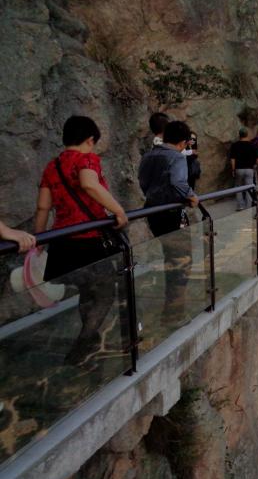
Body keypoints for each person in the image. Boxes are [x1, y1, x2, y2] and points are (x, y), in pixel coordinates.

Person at [35, 115, 128, 364]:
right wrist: (118, 211)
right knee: (105, 291)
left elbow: (43, 207)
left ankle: (90, 339)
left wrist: (39, 239)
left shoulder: (51, 166)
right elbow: (89, 184)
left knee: (88, 291)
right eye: (93, 143)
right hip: (88, 240)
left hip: (62, 241)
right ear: (89, 139)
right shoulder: (86, 158)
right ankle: (85, 342)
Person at [138, 120, 198, 324]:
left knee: (171, 257)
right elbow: (178, 182)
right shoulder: (176, 157)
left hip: (153, 211)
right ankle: (174, 315)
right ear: (183, 142)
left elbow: (143, 181)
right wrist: (191, 196)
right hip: (171, 211)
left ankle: (172, 310)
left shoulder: (149, 155)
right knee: (181, 261)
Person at [229, 127, 258, 210]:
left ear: (239, 135)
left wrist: (233, 169)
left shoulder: (235, 145)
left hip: (239, 169)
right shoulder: (252, 145)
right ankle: (248, 206)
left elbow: (233, 159)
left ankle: (240, 206)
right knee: (249, 187)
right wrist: (255, 165)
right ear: (247, 135)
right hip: (249, 169)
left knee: (238, 187)